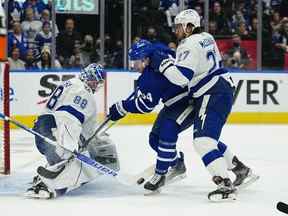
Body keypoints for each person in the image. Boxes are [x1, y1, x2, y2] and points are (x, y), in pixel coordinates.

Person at [153, 9, 259, 201]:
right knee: (207, 138)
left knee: (203, 141)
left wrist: (163, 65)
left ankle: (225, 185)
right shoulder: (206, 36)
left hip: (212, 93)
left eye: (179, 27)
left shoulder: (188, 44)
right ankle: (241, 170)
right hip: (220, 89)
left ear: (189, 27)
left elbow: (181, 77)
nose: (176, 31)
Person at [108, 39, 193, 194]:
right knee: (154, 139)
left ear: (146, 60)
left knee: (167, 133)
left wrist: (123, 106)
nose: (133, 66)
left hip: (187, 101)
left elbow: (146, 106)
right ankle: (177, 164)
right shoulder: (158, 49)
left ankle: (160, 175)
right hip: (172, 103)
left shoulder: (150, 78)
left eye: (136, 62)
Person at [25, 63, 120, 199]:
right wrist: (76, 145)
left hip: (43, 128)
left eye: (98, 83)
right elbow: (70, 120)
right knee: (71, 160)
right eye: (95, 81)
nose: (96, 85)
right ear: (89, 77)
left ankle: (45, 175)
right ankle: (44, 184)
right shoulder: (85, 93)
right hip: (53, 130)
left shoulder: (69, 83)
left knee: (63, 159)